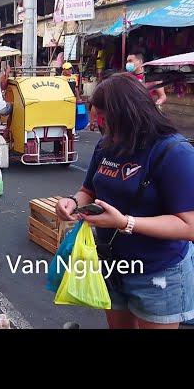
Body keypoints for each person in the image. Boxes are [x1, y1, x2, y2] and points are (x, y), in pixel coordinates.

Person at [56, 73, 194, 329]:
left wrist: (126, 223)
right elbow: (88, 189)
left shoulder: (174, 152)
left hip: (158, 273)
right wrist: (73, 202)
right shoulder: (106, 146)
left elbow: (189, 226)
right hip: (112, 265)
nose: (99, 125)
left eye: (106, 120)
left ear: (129, 114)